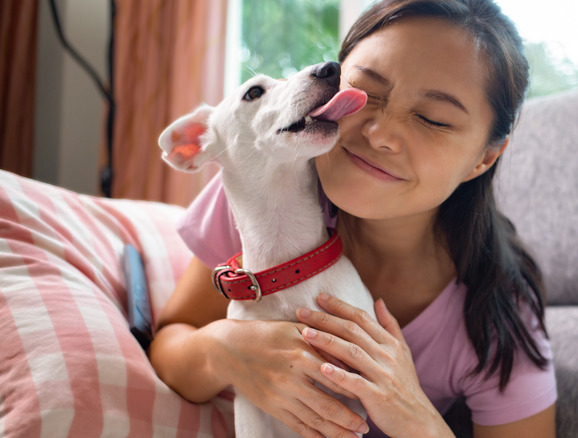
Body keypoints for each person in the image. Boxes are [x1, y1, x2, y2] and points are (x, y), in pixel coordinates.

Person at [148, 0, 557, 436]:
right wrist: (226, 350)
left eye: (431, 119)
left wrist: (413, 414)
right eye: (367, 91)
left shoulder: (495, 317)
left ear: (485, 157)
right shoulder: (266, 187)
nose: (379, 134)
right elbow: (171, 342)